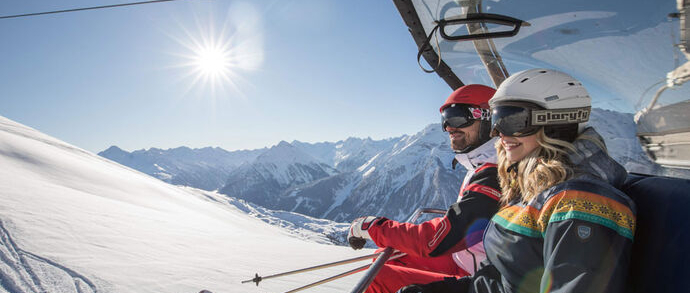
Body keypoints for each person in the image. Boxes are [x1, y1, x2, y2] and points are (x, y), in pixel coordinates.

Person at [397, 68, 636, 293]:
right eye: (497, 121)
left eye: (510, 120)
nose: (497, 133)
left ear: (557, 122)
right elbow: (504, 280)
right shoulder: (534, 188)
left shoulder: (580, 202)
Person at [347, 84, 503, 293]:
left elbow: (437, 238)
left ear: (489, 120)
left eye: (457, 117)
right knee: (385, 257)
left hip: (478, 277)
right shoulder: (481, 163)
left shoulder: (494, 175)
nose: (449, 127)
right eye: (445, 119)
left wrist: (372, 227)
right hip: (465, 259)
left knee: (378, 276)